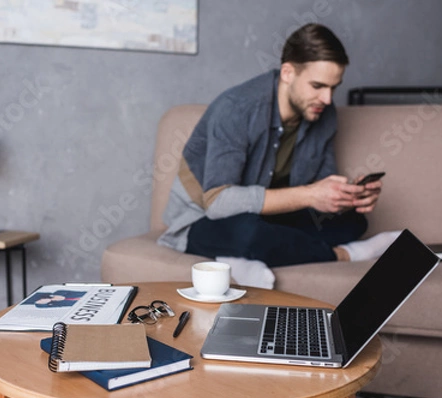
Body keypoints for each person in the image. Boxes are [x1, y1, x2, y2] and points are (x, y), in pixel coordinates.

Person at [157, 23, 399, 277]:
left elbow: (318, 190)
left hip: (274, 214)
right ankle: (344, 254)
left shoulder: (324, 116)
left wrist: (346, 196)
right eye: (317, 86)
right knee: (248, 233)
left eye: (333, 87)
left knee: (352, 223)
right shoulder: (237, 108)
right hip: (204, 217)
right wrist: (309, 195)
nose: (327, 99)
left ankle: (247, 256)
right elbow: (218, 202)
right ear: (287, 73)